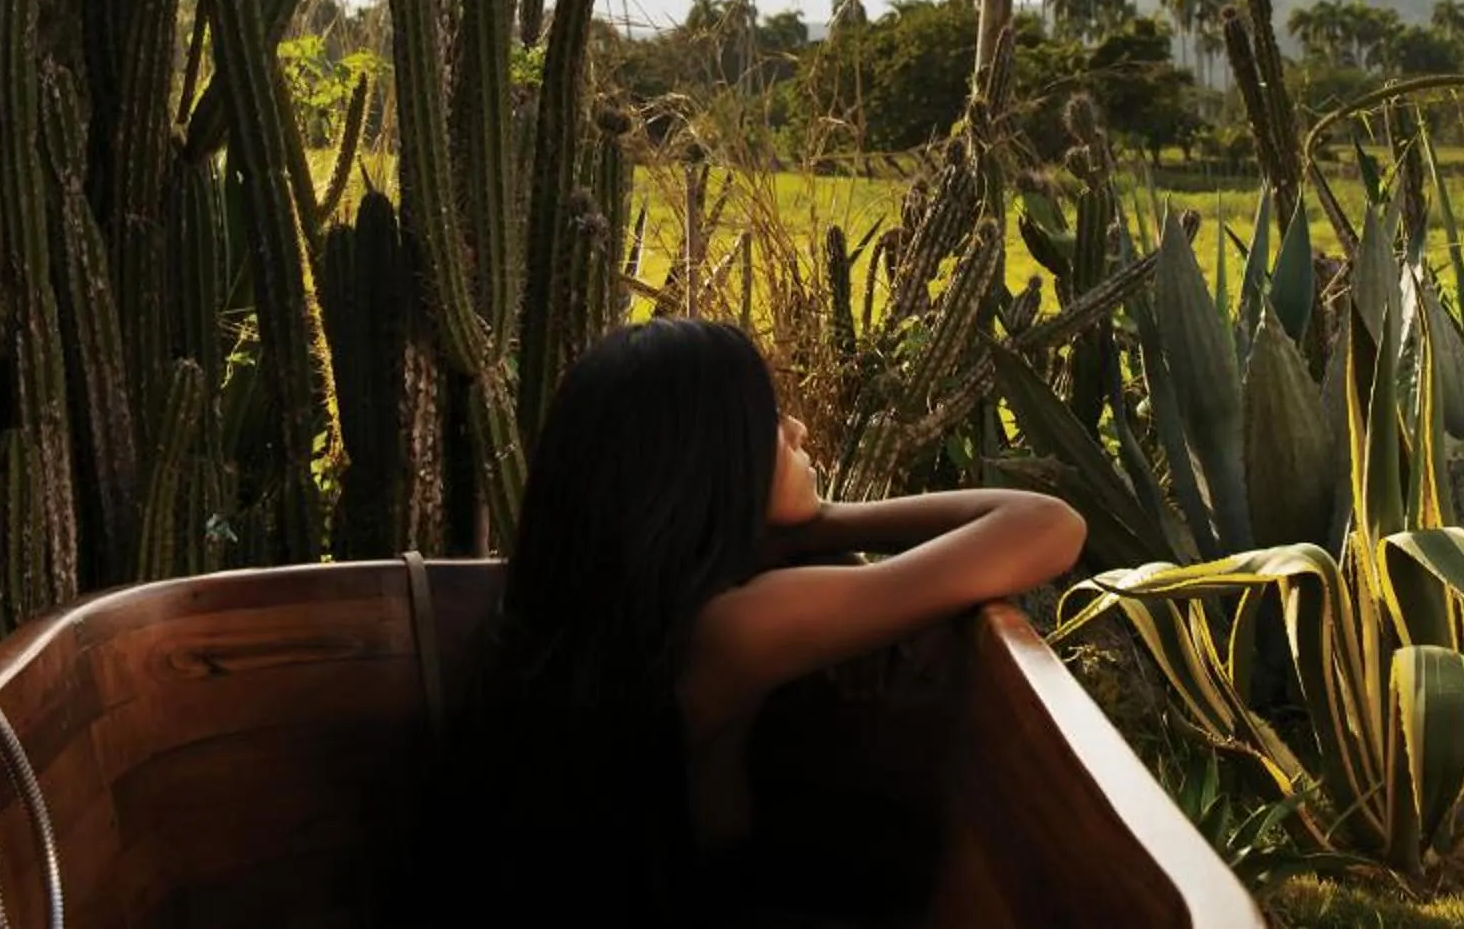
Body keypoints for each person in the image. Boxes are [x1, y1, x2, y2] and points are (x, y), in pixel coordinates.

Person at [434, 317, 1086, 924]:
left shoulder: (596, 612)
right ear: (707, 462)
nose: (798, 429)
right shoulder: (734, 629)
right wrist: (828, 518)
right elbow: (1048, 527)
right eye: (770, 419)